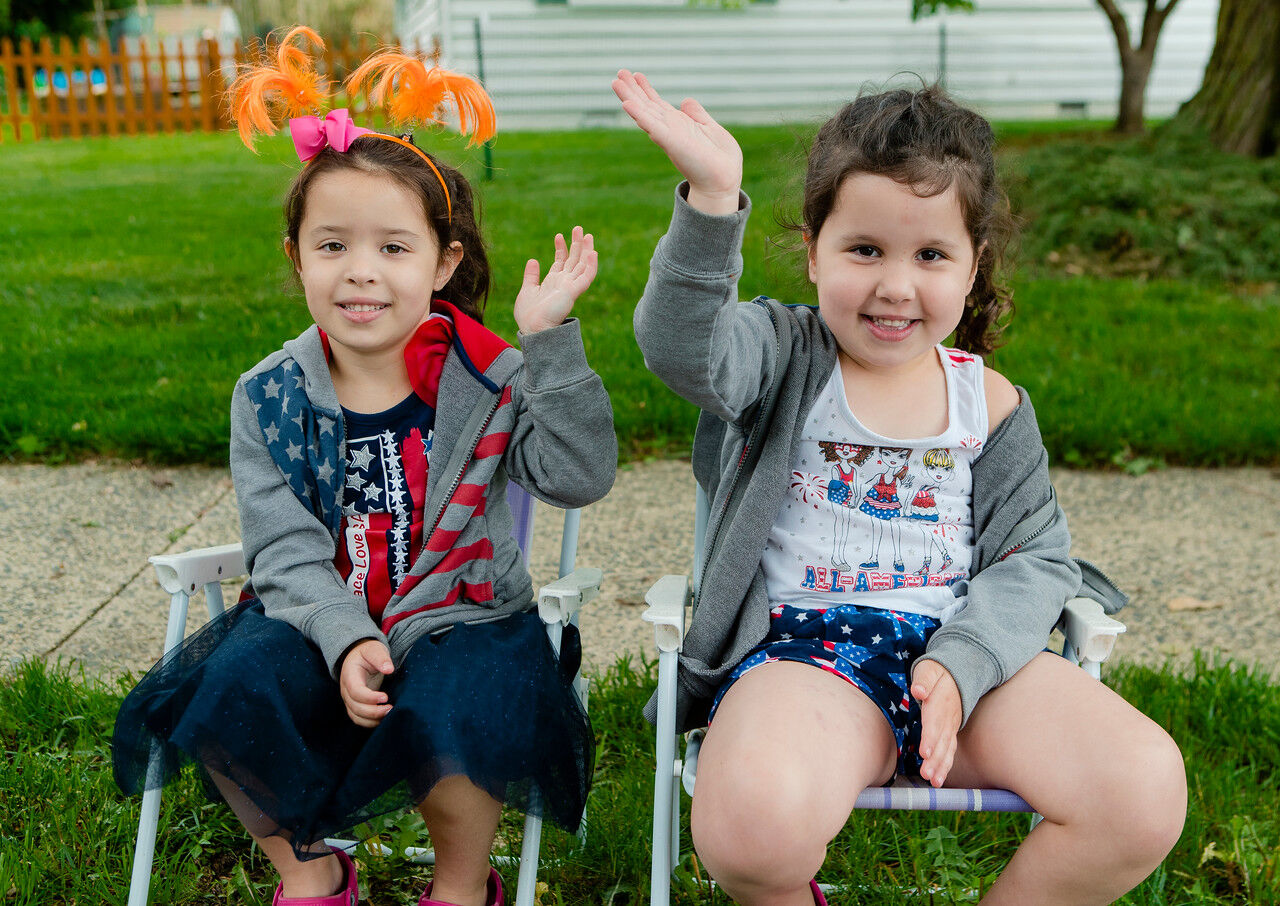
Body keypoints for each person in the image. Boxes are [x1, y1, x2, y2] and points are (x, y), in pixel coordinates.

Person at [613, 70, 1185, 906]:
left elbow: (1033, 556)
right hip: (806, 658)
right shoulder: (779, 358)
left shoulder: (987, 402)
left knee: (1139, 789)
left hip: (966, 653)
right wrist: (711, 200)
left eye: (930, 255)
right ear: (813, 251)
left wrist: (965, 662)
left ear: (971, 266)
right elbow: (678, 346)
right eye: (864, 249)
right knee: (748, 828)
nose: (894, 285)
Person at [111, 29, 616, 906]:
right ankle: (312, 877)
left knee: (461, 696)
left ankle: (461, 888)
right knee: (229, 682)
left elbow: (578, 475)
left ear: (443, 263)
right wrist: (346, 637)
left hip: (466, 618)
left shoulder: (488, 379)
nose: (362, 274)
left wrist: (550, 346)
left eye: (393, 247)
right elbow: (284, 551)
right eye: (332, 245)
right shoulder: (269, 394)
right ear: (296, 258)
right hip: (318, 613)